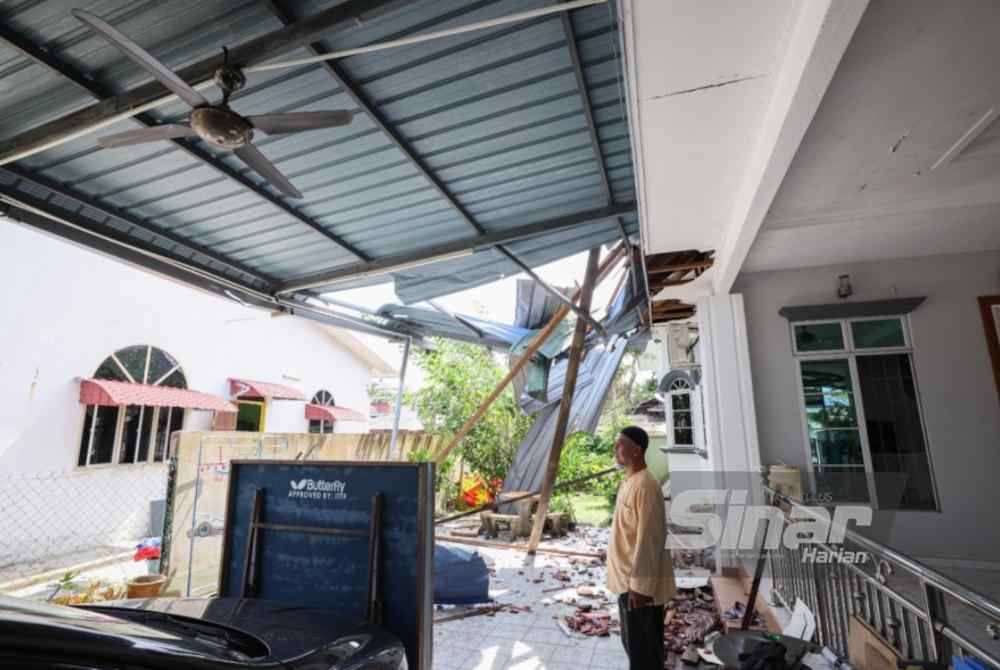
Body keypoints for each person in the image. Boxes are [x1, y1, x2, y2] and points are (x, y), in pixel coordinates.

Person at [607, 425, 675, 670]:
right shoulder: (631, 481)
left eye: (620, 444)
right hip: (627, 582)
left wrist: (641, 587)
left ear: (636, 450)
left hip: (640, 589)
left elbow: (650, 539)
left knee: (645, 653)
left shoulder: (646, 486)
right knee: (634, 647)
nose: (616, 448)